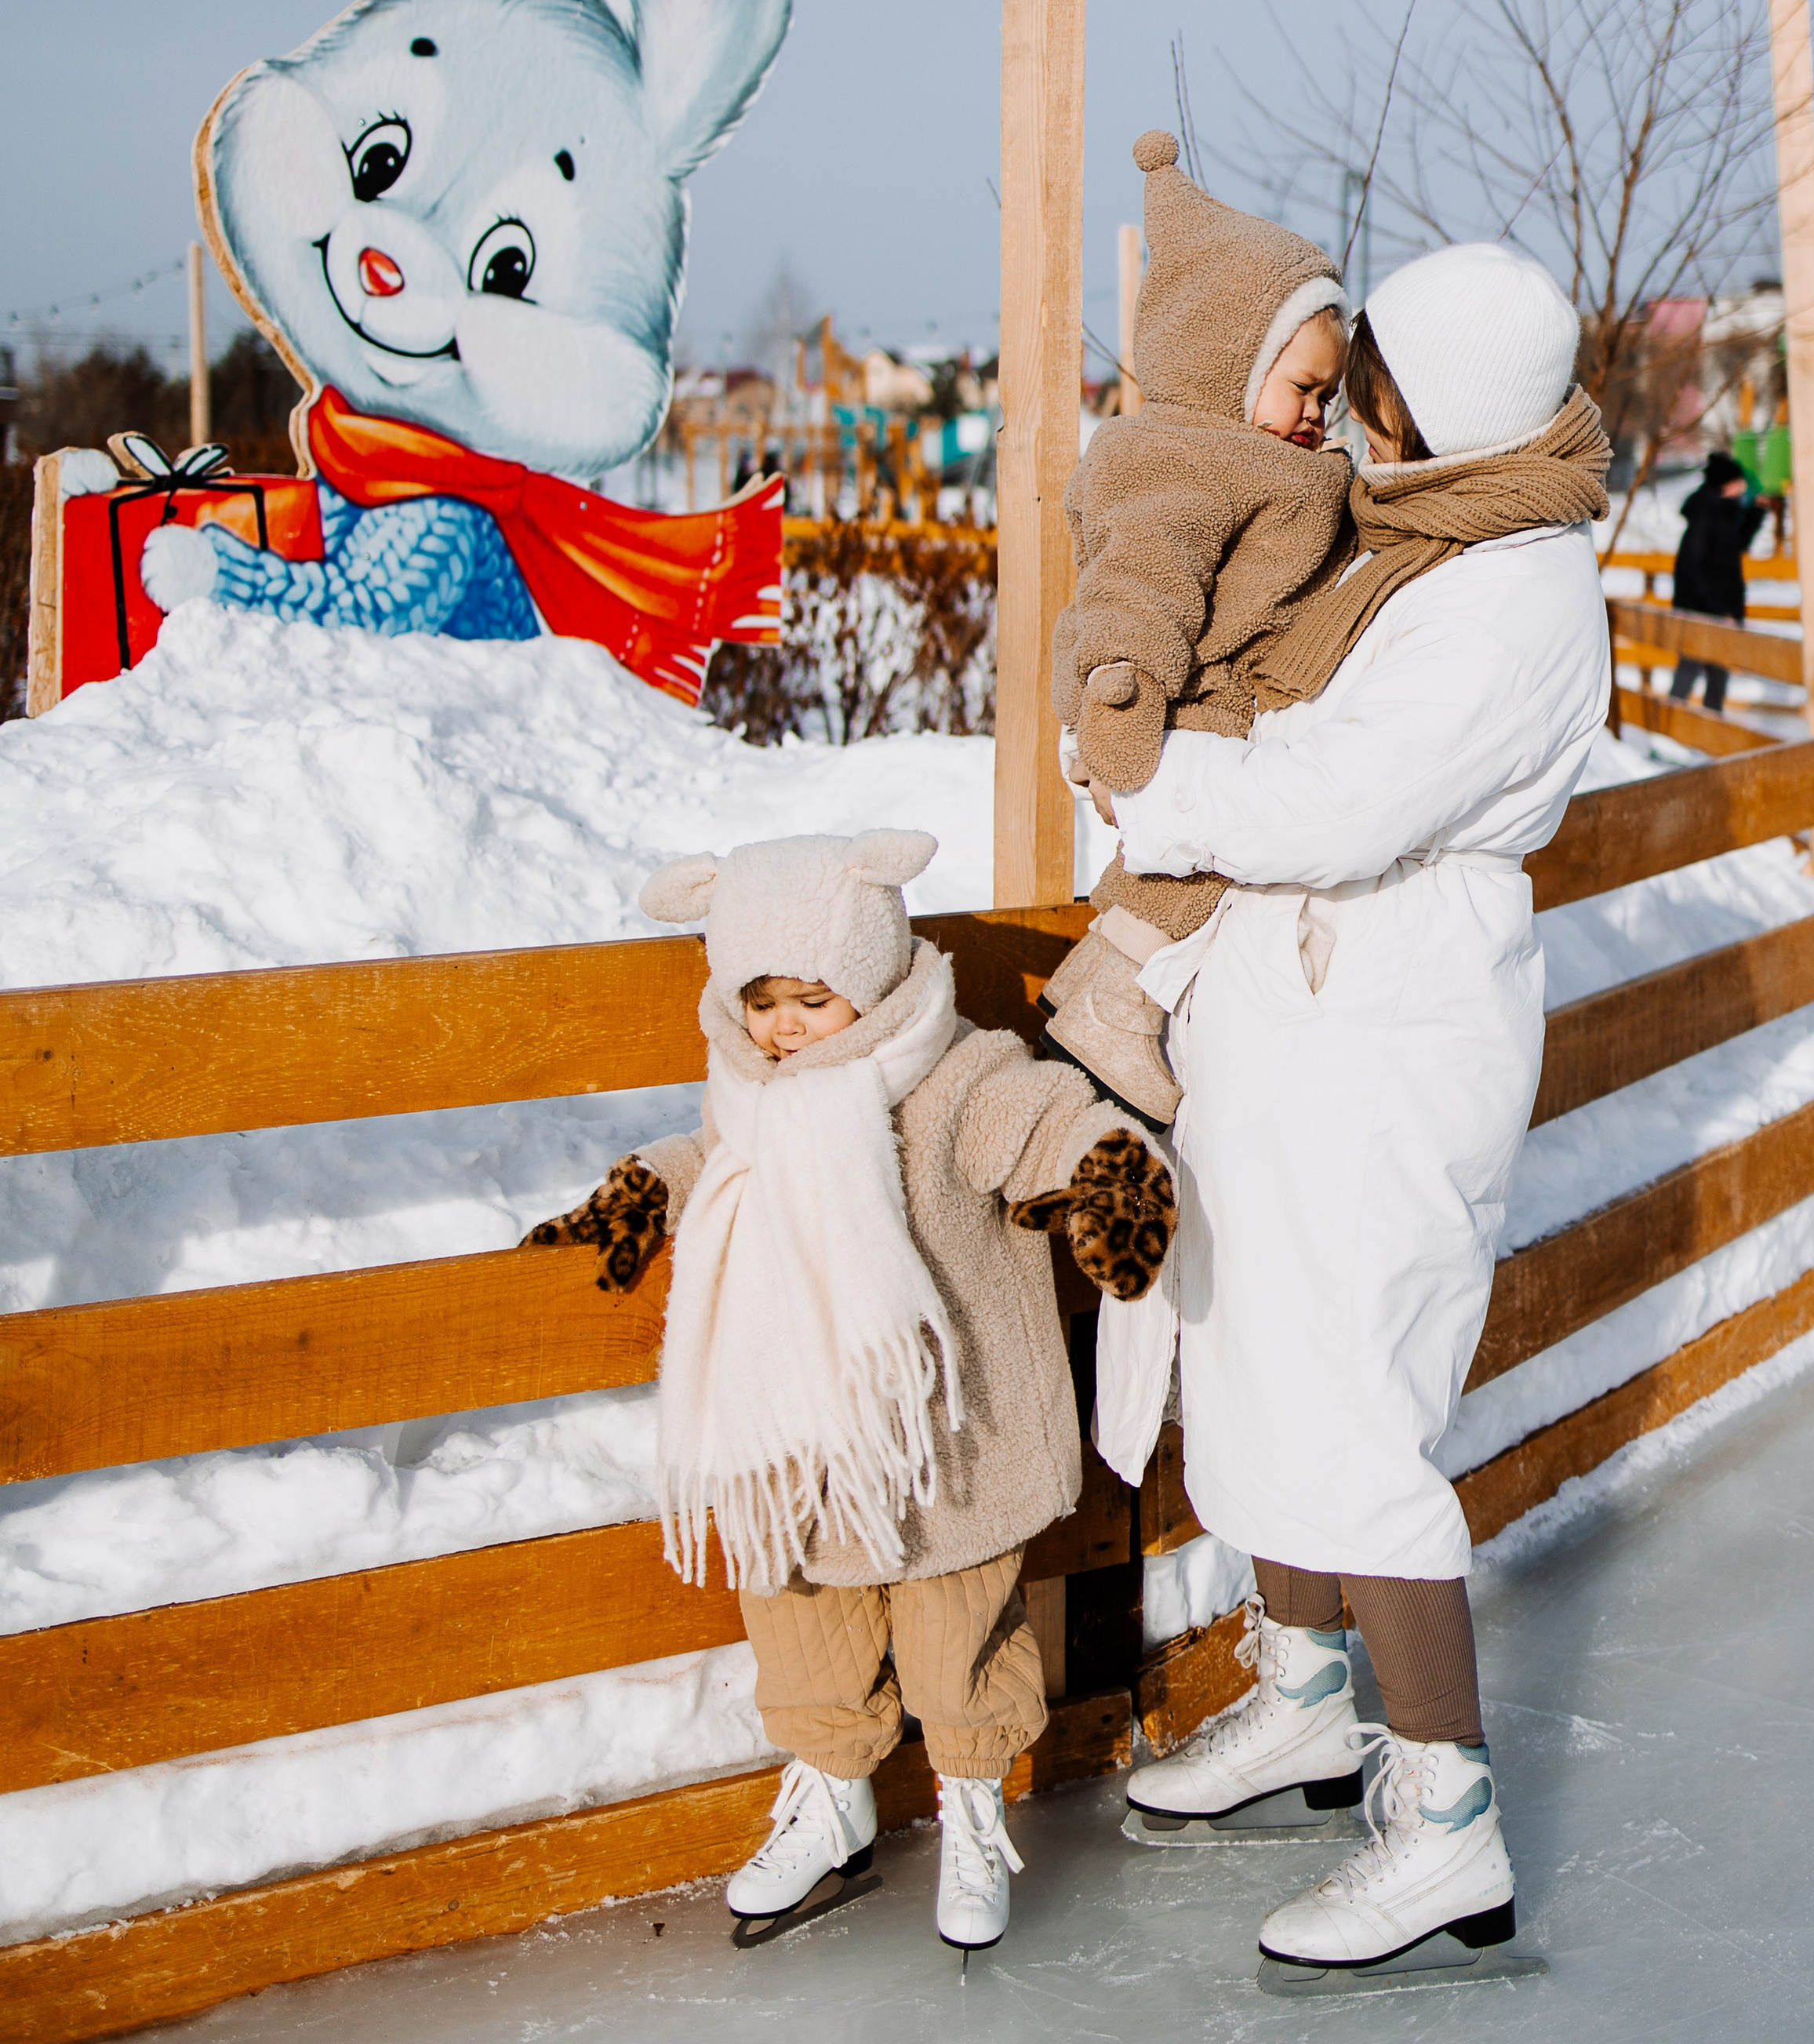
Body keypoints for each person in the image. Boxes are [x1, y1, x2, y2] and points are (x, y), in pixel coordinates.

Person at [1095, 240, 1612, 1974]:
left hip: (1387, 1019)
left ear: (1445, 403)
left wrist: (1157, 780)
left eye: (1374, 380)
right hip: (1295, 1005)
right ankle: (1312, 1695)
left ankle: (1444, 1815)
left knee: (1350, 1409)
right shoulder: (1427, 537)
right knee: (1253, 1360)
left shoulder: (1514, 589)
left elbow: (1335, 797)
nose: (1354, 411)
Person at [523, 828, 1173, 1955]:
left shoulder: (951, 1075)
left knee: (955, 1639)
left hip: (946, 1451)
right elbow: (712, 1157)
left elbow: (1035, 1117)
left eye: (809, 999)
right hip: (798, 1440)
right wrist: (647, 1192)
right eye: (761, 1000)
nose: (782, 1026)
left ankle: (972, 1801)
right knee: (801, 1628)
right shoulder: (751, 1091)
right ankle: (832, 1794)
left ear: (871, 982)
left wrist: (1099, 1167)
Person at [1043, 130, 1354, 1125]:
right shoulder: (1180, 456)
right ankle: (1112, 998)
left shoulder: (1264, 458)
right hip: (1164, 692)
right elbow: (1140, 579)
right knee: (1205, 840)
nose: (1316, 413)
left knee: (1220, 837)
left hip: (1203, 685)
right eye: (1301, 388)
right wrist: (1120, 691)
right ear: (1229, 359)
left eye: (1328, 394)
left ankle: (1113, 989)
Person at [1667, 449, 1764, 714]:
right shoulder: (1707, 518)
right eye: (1738, 482)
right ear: (1726, 484)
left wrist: (1756, 513)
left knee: (1717, 675)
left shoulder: (1721, 513)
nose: (1743, 487)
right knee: (1690, 668)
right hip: (1702, 611)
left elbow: (1735, 546)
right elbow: (1692, 570)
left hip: (1714, 609)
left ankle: (1706, 734)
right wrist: (1720, 612)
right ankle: (1669, 731)